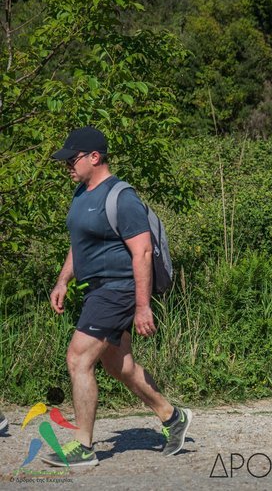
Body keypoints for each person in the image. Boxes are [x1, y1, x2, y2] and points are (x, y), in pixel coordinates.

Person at [47, 127, 191, 466]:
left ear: (94, 157)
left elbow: (141, 253)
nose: (67, 164)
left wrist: (142, 306)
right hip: (97, 289)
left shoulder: (122, 197)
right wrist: (63, 280)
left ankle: (83, 446)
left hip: (119, 288)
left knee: (78, 359)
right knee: (118, 364)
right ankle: (172, 417)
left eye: (73, 158)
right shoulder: (81, 194)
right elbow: (80, 243)